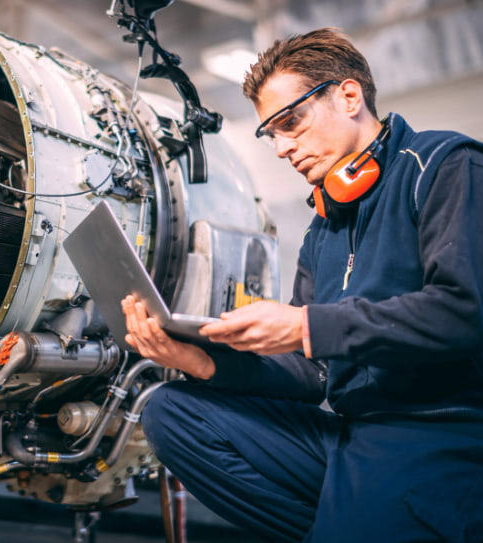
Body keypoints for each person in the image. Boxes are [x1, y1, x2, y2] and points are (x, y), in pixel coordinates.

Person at [122, 27, 483, 543]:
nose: (283, 148)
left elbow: (463, 311)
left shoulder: (447, 166)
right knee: (171, 411)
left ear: (349, 95)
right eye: (272, 133)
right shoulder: (324, 226)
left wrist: (305, 324)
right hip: (353, 436)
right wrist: (200, 362)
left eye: (291, 122)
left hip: (443, 432)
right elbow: (311, 375)